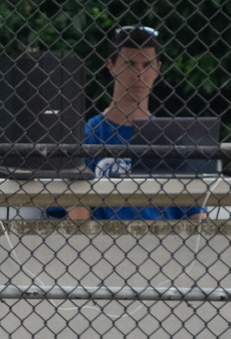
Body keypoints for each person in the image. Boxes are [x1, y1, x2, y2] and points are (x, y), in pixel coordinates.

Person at [59, 25, 206, 222]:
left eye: (147, 65)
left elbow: (196, 216)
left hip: (165, 245)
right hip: (105, 245)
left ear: (158, 69)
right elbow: (77, 219)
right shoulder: (86, 136)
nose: (139, 74)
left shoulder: (171, 139)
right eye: (130, 63)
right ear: (111, 66)